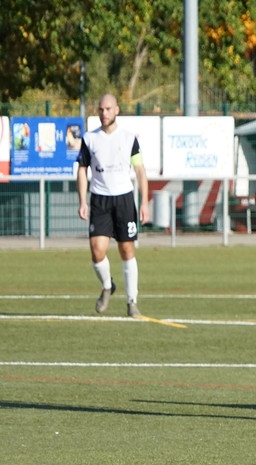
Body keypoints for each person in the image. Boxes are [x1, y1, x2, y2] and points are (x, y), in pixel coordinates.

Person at [77, 93, 149, 318]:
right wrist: (82, 200)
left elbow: (140, 170)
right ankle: (108, 285)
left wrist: (144, 202)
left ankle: (132, 301)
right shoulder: (90, 139)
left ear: (117, 110)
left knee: (127, 250)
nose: (104, 113)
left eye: (108, 109)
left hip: (124, 200)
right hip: (100, 200)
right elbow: (82, 170)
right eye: (101, 109)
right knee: (97, 251)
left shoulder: (128, 139)